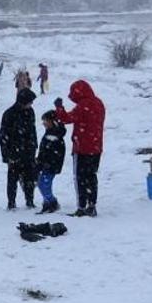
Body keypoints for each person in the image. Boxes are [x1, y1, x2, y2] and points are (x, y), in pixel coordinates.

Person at [53, 80, 106, 217]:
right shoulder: (99, 103)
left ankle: (81, 207)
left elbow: (66, 119)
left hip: (82, 148)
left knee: (80, 179)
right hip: (96, 147)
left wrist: (59, 108)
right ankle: (92, 205)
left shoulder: (83, 106)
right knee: (92, 176)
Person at [0, 88, 38, 210]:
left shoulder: (30, 112)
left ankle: (30, 200)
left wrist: (33, 147)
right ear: (23, 101)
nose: (31, 104)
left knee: (29, 178)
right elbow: (3, 136)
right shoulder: (9, 114)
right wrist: (6, 155)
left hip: (28, 151)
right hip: (13, 153)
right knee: (12, 179)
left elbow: (32, 131)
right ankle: (11, 203)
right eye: (30, 101)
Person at [35, 110, 66, 214]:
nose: (44, 123)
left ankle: (52, 202)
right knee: (41, 183)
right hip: (45, 164)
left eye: (46, 121)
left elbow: (57, 153)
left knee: (45, 184)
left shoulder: (56, 136)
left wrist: (50, 163)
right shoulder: (49, 133)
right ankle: (46, 203)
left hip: (51, 165)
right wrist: (39, 161)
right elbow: (43, 150)